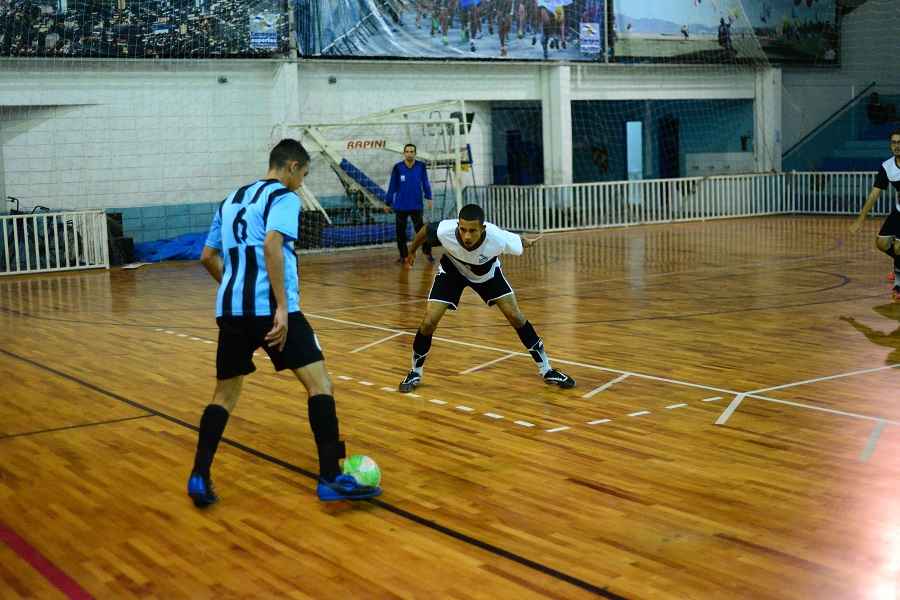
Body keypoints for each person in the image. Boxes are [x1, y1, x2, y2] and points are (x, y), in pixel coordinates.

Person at [188, 139, 381, 507]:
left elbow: (207, 257)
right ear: (291, 166)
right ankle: (330, 477)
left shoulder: (230, 200)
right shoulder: (284, 198)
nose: (302, 184)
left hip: (231, 311)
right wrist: (279, 306)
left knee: (224, 396)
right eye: (303, 175)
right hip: (276, 312)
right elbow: (272, 244)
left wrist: (234, 287)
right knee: (319, 384)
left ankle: (199, 475)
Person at [397, 203, 576, 392]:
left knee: (516, 316)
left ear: (483, 228)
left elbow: (516, 240)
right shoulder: (445, 231)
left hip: (487, 274)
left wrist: (526, 242)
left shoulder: (496, 238)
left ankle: (547, 370)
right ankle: (415, 372)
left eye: (472, 231)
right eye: (463, 229)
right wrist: (411, 251)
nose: (467, 236)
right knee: (428, 322)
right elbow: (425, 230)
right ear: (458, 225)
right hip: (453, 271)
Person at [849, 129, 900, 301]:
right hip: (899, 211)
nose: (897, 146)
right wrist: (860, 220)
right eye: (893, 142)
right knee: (882, 243)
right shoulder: (887, 167)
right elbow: (874, 194)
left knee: (899, 247)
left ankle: (898, 285)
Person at [386, 143, 434, 266]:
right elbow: (392, 185)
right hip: (401, 206)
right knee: (400, 232)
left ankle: (427, 253)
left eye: (412, 151)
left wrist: (429, 197)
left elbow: (425, 182)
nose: (409, 153)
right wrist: (388, 201)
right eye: (407, 151)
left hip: (416, 205)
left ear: (415, 153)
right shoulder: (398, 167)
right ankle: (403, 256)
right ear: (404, 153)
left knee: (422, 232)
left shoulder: (421, 166)